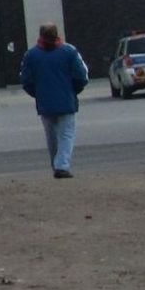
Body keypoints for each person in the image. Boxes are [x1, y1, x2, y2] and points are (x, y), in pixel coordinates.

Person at [19, 23, 89, 179]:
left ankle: (56, 165)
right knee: (66, 135)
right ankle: (62, 166)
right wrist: (73, 91)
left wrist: (37, 94)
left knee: (51, 136)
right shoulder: (69, 51)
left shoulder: (31, 55)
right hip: (66, 101)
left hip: (45, 103)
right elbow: (81, 76)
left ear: (41, 36)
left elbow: (26, 80)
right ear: (57, 34)